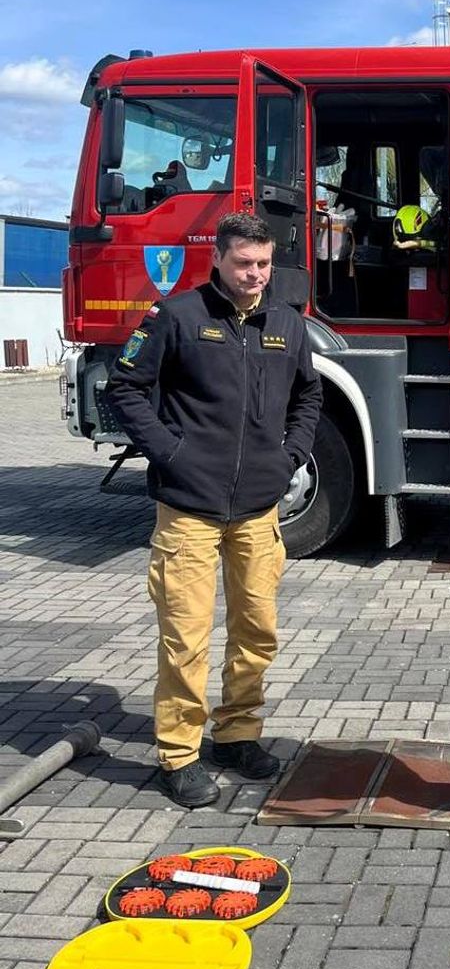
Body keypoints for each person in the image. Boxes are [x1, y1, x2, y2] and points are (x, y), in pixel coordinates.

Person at [105, 212, 322, 808]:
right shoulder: (176, 317)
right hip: (189, 509)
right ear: (218, 262)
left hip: (258, 508)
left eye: (264, 264)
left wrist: (291, 456)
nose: (255, 275)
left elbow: (309, 393)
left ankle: (236, 734)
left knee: (256, 631)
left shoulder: (287, 323)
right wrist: (171, 453)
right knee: (186, 636)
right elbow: (122, 387)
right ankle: (179, 753)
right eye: (243, 264)